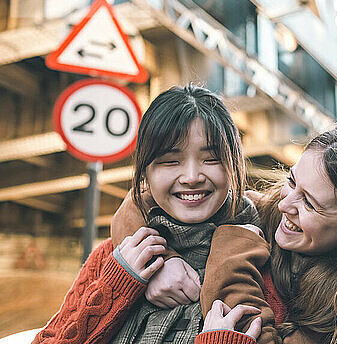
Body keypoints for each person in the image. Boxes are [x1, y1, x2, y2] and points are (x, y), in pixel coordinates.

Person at [145, 120, 337, 344]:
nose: (286, 203)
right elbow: (140, 203)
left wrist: (231, 249)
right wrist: (163, 261)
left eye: (309, 203)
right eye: (291, 180)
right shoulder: (257, 213)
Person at [33, 84, 262, 344]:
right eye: (170, 161)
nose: (191, 177)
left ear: (233, 164)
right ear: (145, 172)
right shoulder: (114, 258)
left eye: (211, 159)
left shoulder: (267, 261)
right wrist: (118, 285)